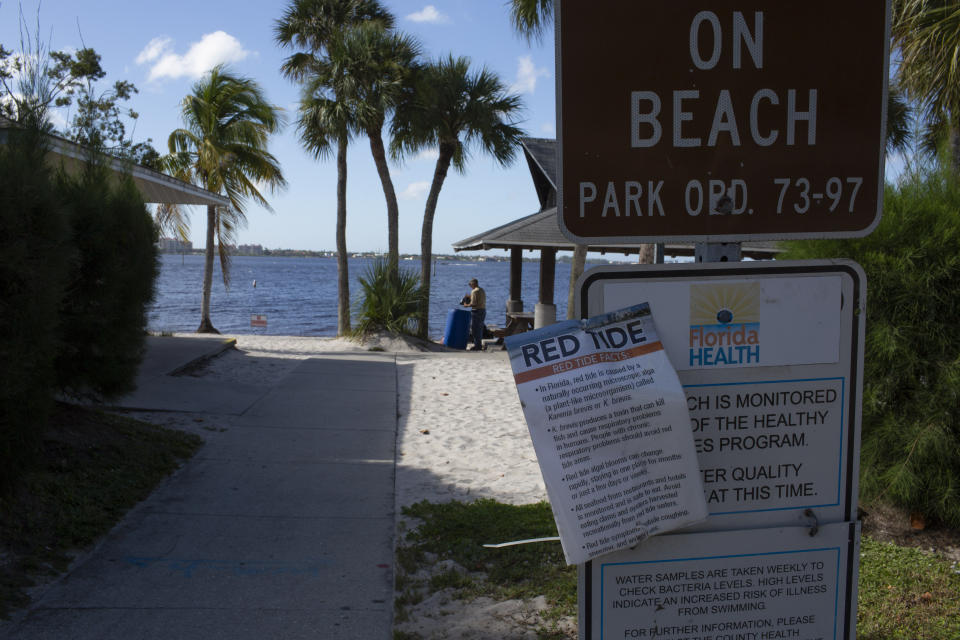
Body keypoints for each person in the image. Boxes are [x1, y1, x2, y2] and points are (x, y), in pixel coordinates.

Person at [463, 278, 486, 351]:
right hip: (483, 310)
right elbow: (479, 299)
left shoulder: (474, 291)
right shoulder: (481, 290)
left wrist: (466, 305)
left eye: (470, 285)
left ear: (473, 284)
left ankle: (477, 346)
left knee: (475, 329)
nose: (470, 286)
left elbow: (474, 303)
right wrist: (470, 297)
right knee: (479, 328)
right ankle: (478, 345)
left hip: (476, 311)